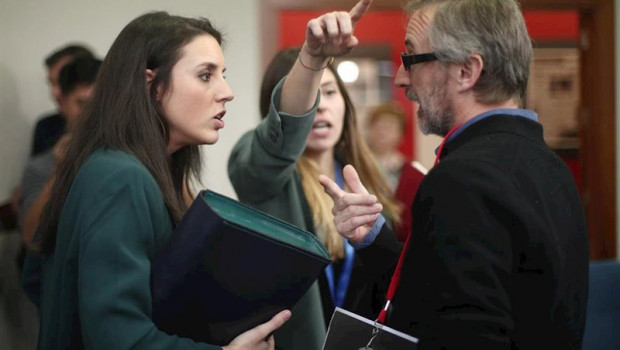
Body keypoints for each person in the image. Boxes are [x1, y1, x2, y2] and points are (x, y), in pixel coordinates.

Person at [19, 3, 374, 347]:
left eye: (223, 75)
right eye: (205, 75)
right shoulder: (119, 176)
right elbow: (117, 335)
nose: (226, 92)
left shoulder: (154, 173)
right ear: (152, 85)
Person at [318, 0, 589, 349]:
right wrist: (374, 238)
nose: (401, 77)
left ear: (467, 71)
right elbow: (438, 294)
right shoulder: (551, 169)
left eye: (411, 58)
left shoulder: (462, 181)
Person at [229, 0, 400, 340]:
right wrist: (312, 60)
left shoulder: (363, 177)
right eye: (310, 96)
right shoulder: (266, 176)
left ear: (345, 103)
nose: (320, 107)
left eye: (330, 91)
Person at [20, 56, 102, 251]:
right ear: (62, 103)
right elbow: (33, 238)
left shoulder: (131, 157)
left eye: (99, 104)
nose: (92, 114)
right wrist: (60, 172)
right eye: (82, 104)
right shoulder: (41, 168)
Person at [364, 103, 426, 241]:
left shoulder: (412, 173)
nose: (383, 131)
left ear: (401, 134)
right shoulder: (354, 164)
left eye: (389, 127)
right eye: (378, 125)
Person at [33, 44, 94, 156]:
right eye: (51, 83)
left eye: (61, 81)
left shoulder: (117, 127)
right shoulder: (45, 127)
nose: (54, 93)